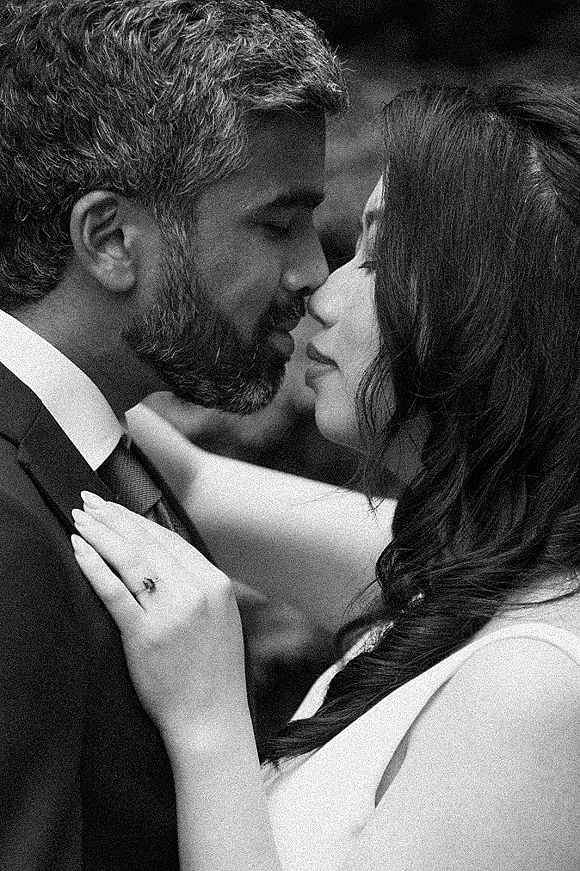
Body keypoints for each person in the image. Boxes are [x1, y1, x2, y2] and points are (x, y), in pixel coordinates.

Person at [74, 80, 580, 871]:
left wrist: (209, 721)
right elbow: (200, 487)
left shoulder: (533, 689)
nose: (324, 288)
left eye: (376, 261)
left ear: (485, 319)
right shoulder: (474, 572)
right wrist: (63, 313)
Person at [0, 1, 349, 868]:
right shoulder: (7, 524)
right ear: (111, 240)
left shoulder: (98, 448)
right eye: (276, 224)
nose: (314, 271)